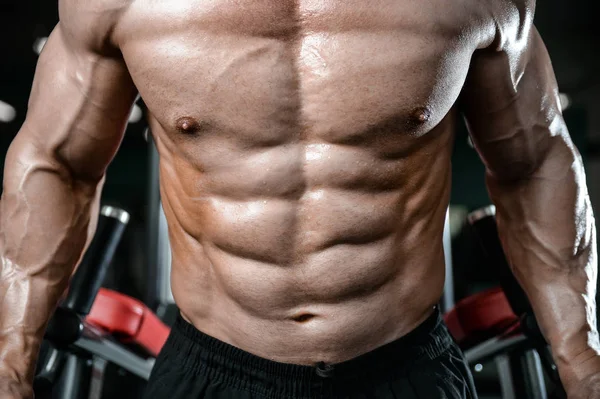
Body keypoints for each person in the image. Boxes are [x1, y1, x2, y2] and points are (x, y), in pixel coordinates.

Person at [1, 0, 599, 398]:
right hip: (214, 371)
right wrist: (11, 360)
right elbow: (59, 165)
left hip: (405, 369)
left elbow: (535, 164)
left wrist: (581, 359)